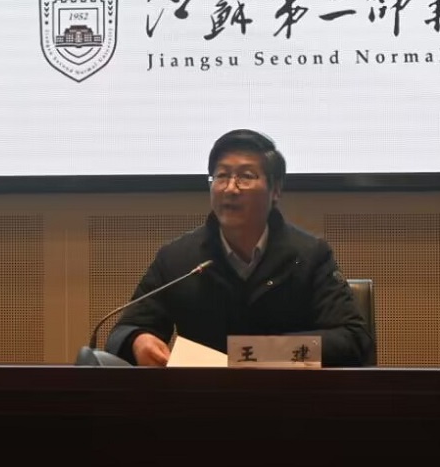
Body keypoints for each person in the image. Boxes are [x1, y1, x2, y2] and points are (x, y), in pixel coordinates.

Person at [103, 129, 374, 367]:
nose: (230, 189)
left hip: (288, 399)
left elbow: (353, 339)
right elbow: (122, 332)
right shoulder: (178, 259)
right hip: (204, 400)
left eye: (246, 176)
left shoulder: (309, 256)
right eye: (221, 176)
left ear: (275, 190)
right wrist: (138, 340)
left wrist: (260, 354)